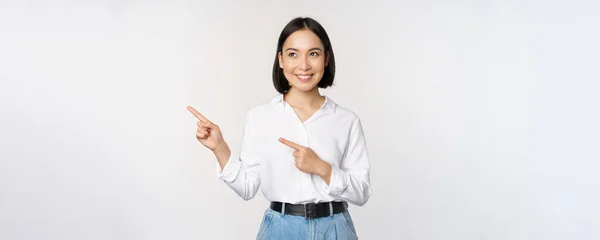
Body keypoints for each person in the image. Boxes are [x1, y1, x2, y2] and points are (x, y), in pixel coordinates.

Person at [187, 17, 371, 240]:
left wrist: (323, 169)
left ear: (326, 58)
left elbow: (361, 193)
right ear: (281, 59)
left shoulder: (346, 120)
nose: (303, 65)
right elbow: (247, 187)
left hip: (335, 229)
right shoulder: (260, 116)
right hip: (280, 230)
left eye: (313, 53)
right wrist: (220, 148)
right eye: (293, 54)